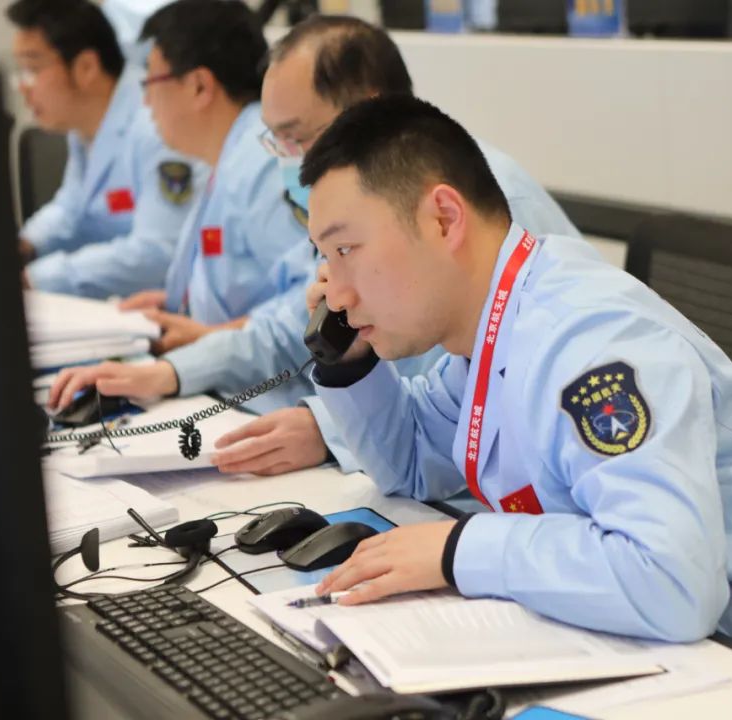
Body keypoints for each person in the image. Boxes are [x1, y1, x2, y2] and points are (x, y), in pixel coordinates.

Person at [298, 95, 732, 720]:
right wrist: (346, 361)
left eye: (347, 250)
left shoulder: (588, 340)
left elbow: (669, 580)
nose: (338, 290)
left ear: (444, 217)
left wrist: (461, 550)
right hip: (722, 664)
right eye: (326, 260)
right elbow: (410, 462)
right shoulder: (491, 328)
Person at [52, 16, 586, 469]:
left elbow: (451, 405)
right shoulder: (356, 205)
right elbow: (297, 318)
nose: (288, 160)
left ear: (366, 113)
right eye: (276, 140)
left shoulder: (469, 201)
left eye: (297, 136)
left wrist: (330, 432)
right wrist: (173, 371)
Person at [47, 0, 316, 412]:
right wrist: (178, 301)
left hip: (274, 402)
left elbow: (313, 302)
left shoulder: (262, 165)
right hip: (233, 385)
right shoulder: (230, 155)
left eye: (151, 81)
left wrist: (214, 337)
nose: (145, 103)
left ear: (199, 87)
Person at [9, 0, 202, 298]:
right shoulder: (85, 126)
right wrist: (25, 245)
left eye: (33, 69)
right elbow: (72, 208)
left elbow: (157, 252)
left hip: (165, 306)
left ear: (86, 67)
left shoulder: (155, 125)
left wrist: (37, 278)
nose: (23, 86)